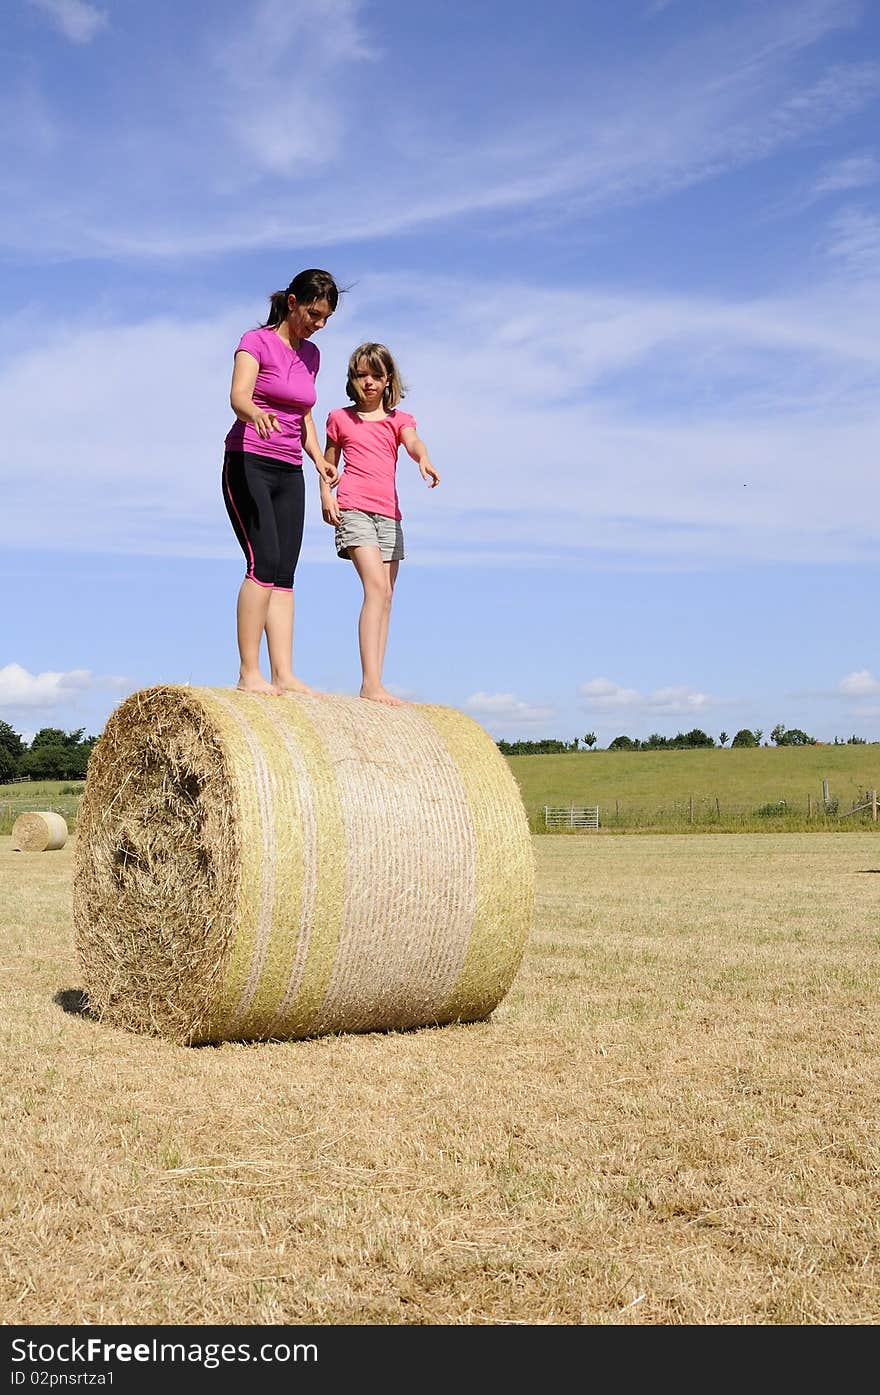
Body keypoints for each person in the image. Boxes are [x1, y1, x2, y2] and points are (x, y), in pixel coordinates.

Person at [222, 268, 340, 695]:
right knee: (263, 562)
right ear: (292, 303)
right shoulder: (255, 342)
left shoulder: (312, 355)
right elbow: (238, 395)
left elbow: (305, 413)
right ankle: (248, 673)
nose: (319, 324)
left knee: (286, 572)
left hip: (290, 468)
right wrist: (255, 413)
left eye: (325, 318)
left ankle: (284, 674)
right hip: (248, 459)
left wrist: (317, 459)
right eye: (314, 313)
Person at [320, 342, 439, 705]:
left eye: (376, 375)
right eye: (361, 375)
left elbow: (413, 441)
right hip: (354, 509)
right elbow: (329, 463)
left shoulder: (399, 420)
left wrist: (424, 458)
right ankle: (369, 683)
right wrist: (326, 495)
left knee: (386, 597)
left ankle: (376, 680)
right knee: (375, 588)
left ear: (388, 380)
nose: (368, 382)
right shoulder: (340, 418)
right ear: (352, 380)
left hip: (389, 516)